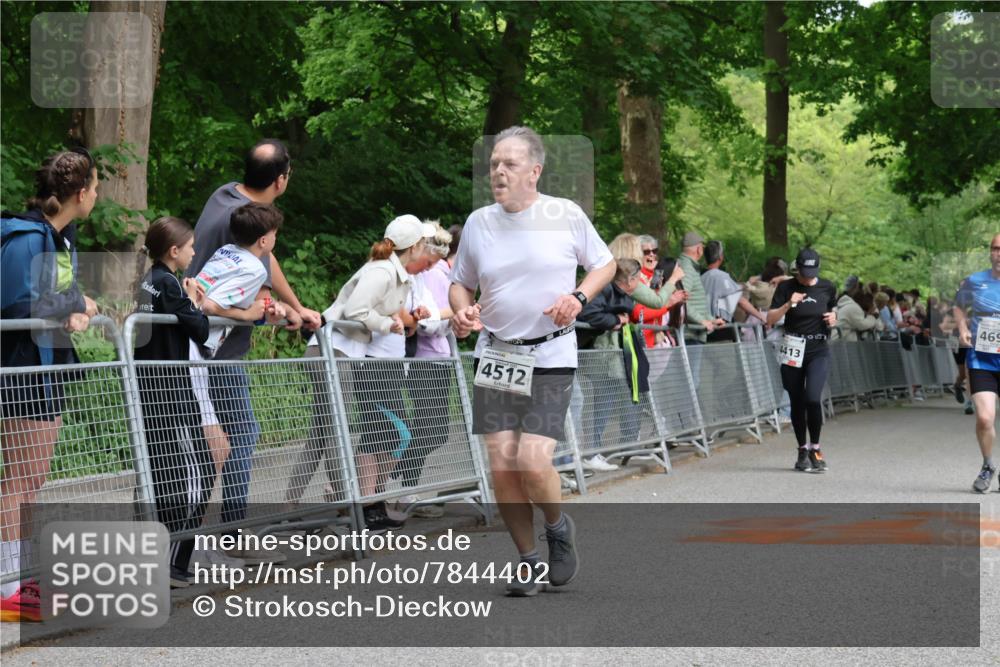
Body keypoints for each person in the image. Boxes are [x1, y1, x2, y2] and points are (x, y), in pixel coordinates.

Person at [450, 126, 615, 597]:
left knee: (532, 460)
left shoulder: (564, 214)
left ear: (534, 171)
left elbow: (603, 263)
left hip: (551, 352)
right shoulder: (479, 222)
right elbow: (460, 282)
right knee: (502, 464)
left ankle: (558, 526)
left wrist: (579, 296)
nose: (498, 172)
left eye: (510, 164)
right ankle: (527, 560)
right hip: (497, 353)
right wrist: (462, 309)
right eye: (494, 164)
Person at [184, 140, 320, 564]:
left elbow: (265, 259)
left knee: (207, 439)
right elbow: (253, 288)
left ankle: (188, 540)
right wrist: (281, 312)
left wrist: (295, 306)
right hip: (214, 347)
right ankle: (231, 533)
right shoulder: (239, 228)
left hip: (201, 336)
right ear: (281, 180)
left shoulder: (226, 197)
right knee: (239, 433)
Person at [1, 148, 99, 622]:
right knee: (18, 480)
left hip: (48, 366)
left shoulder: (59, 238)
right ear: (81, 194)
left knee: (32, 479)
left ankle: (21, 577)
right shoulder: (25, 238)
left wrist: (73, 309)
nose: (97, 196)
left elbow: (52, 299)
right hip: (21, 366)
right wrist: (75, 303)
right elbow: (18, 308)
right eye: (96, 188)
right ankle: (7, 584)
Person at [303, 215, 432, 530]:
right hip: (335, 351)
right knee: (335, 433)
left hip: (347, 354)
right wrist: (388, 323)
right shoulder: (382, 270)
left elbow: (375, 309)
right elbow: (357, 311)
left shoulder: (394, 272)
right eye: (423, 244)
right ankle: (354, 506)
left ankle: (349, 505)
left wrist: (402, 318)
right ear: (414, 247)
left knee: (326, 434)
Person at [132, 217, 217, 588]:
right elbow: (199, 330)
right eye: (190, 246)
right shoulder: (167, 284)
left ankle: (163, 561)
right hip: (172, 395)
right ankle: (173, 563)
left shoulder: (146, 282)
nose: (195, 252)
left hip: (151, 393)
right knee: (198, 473)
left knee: (166, 473)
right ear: (173, 250)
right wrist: (195, 301)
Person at [391, 222, 454, 518]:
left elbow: (426, 316)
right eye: (428, 261)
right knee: (423, 428)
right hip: (422, 359)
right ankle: (400, 486)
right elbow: (428, 321)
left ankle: (400, 482)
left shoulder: (429, 273)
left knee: (432, 428)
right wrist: (455, 314)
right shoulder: (434, 274)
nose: (429, 267)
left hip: (433, 356)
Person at [766, 248, 838, 473]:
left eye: (812, 272)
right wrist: (788, 304)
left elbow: (832, 308)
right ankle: (802, 450)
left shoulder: (827, 286)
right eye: (805, 273)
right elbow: (769, 319)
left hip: (817, 349)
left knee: (813, 398)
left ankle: (816, 448)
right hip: (793, 347)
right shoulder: (786, 287)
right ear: (798, 268)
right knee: (796, 400)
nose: (808, 278)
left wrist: (834, 317)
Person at [576, 259, 654, 462]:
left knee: (623, 398)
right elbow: (587, 312)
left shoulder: (618, 293)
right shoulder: (605, 290)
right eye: (638, 280)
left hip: (613, 356)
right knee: (603, 402)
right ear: (631, 280)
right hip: (601, 357)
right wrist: (616, 321)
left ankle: (626, 445)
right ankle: (592, 452)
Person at [953, 233, 1000, 493]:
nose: (999, 254)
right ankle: (987, 465)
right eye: (995, 249)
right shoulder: (975, 281)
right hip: (981, 359)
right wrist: (962, 327)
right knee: (984, 417)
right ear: (990, 252)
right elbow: (959, 307)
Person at [676, 231, 724, 385]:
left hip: (692, 333)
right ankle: (688, 410)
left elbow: (693, 300)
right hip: (690, 334)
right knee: (690, 382)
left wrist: (711, 320)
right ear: (698, 249)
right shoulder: (688, 269)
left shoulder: (688, 267)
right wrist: (701, 321)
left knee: (691, 380)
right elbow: (680, 300)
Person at [700, 240, 766, 343]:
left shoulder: (700, 276)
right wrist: (760, 316)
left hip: (701, 330)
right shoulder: (721, 277)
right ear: (720, 257)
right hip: (721, 331)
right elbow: (741, 301)